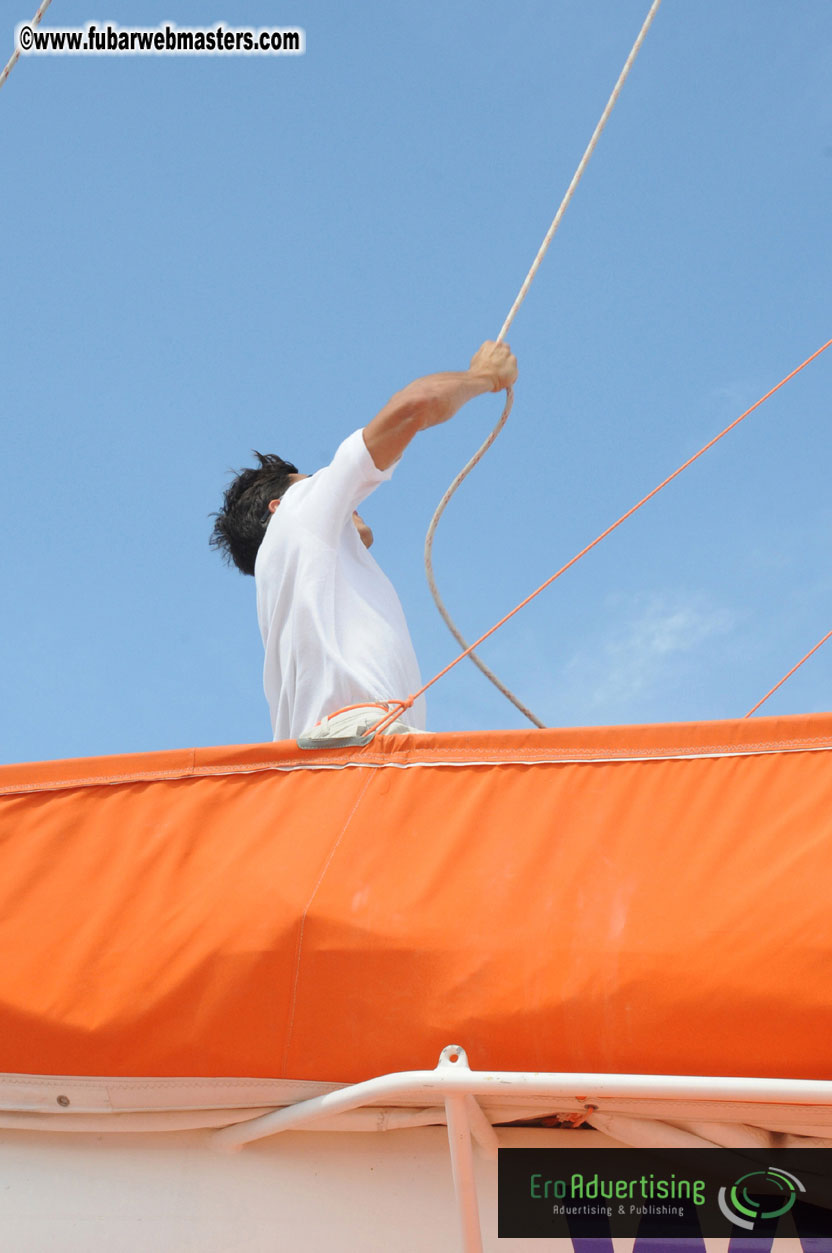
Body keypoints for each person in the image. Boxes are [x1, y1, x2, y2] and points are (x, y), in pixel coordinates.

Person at [210, 340, 518, 742]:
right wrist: (484, 376)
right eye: (313, 481)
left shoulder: (285, 581)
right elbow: (414, 405)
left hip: (327, 766)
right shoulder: (297, 511)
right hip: (363, 744)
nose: (343, 501)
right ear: (276, 505)